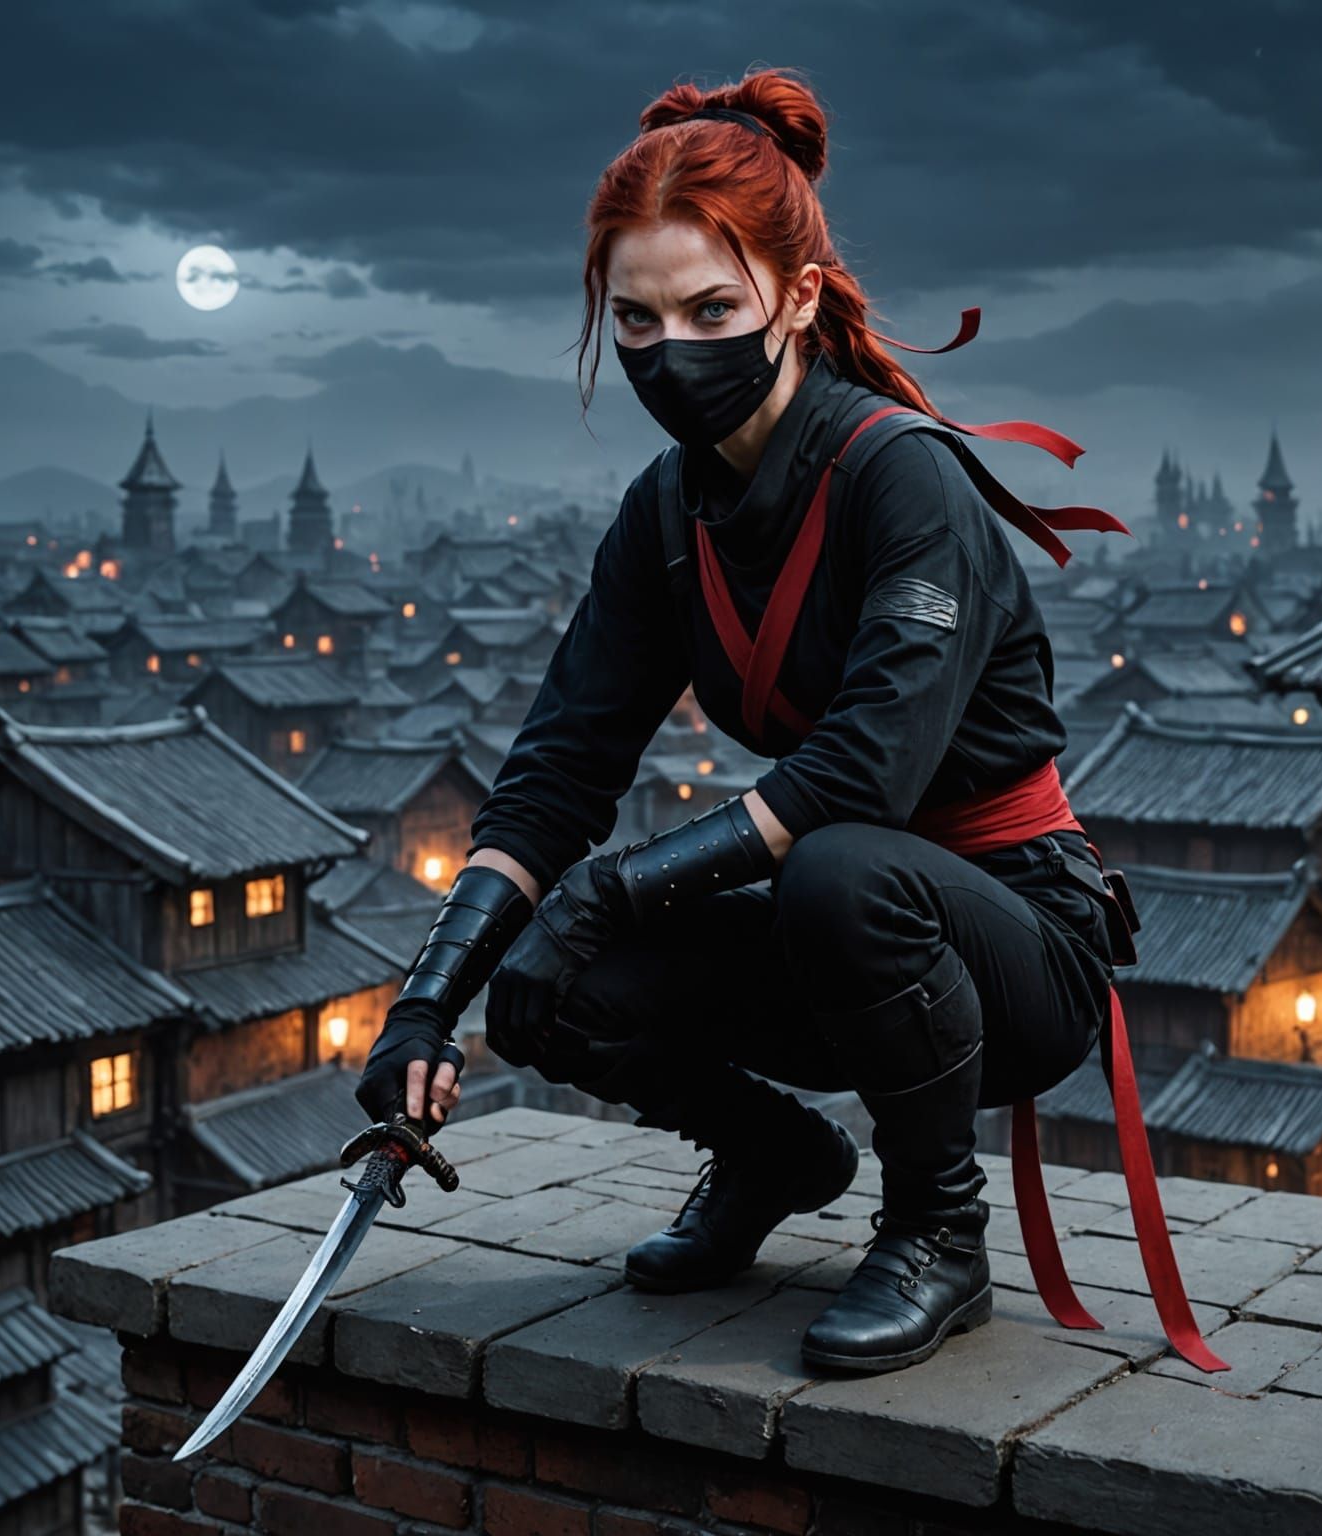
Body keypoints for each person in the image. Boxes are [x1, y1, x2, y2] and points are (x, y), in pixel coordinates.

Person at [357, 66, 1127, 1376]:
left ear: (798, 295)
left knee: (836, 864)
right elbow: (558, 770)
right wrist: (429, 1003)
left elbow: (866, 775)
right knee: (553, 985)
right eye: (637, 319)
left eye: (712, 308)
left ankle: (939, 1233)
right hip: (841, 939)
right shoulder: (665, 517)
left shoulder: (902, 480)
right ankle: (776, 1153)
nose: (671, 353)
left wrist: (613, 892)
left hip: (1015, 944)